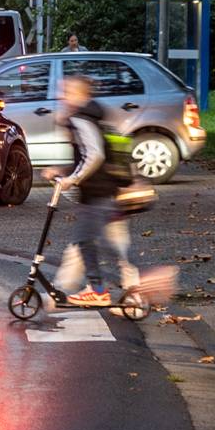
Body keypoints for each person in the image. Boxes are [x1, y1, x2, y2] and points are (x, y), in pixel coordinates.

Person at [49, 73, 137, 307]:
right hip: (106, 190)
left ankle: (98, 289)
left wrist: (73, 179)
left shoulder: (81, 118)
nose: (61, 96)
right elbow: (88, 154)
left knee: (86, 240)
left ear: (79, 95)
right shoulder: (92, 116)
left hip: (97, 192)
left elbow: (94, 154)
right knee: (106, 242)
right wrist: (63, 171)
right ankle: (133, 290)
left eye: (65, 92)